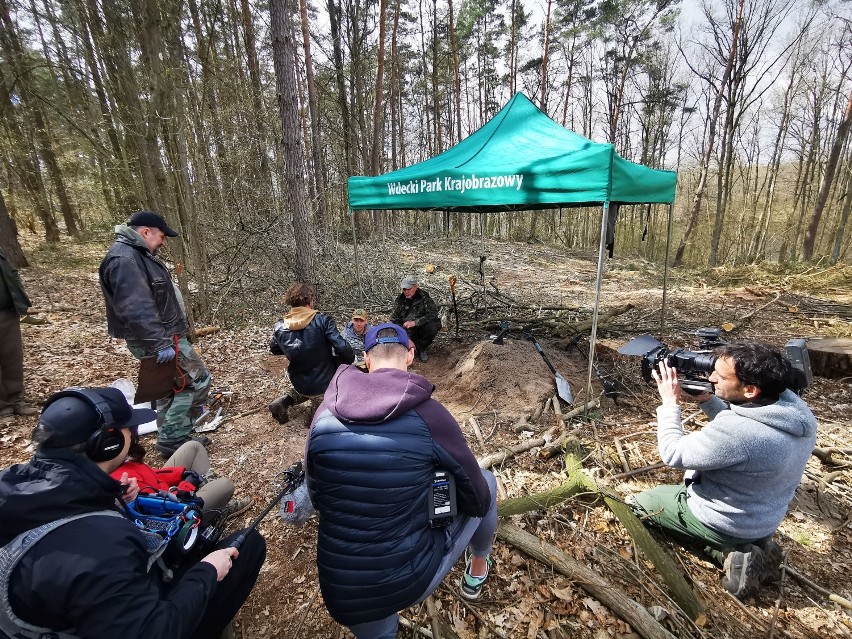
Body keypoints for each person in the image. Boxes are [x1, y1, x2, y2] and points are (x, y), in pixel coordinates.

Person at [0, 387, 266, 639]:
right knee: (249, 544)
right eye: (129, 429)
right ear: (109, 442)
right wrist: (207, 571)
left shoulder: (11, 485)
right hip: (143, 622)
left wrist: (108, 495)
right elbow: (157, 632)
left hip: (65, 614)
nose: (134, 434)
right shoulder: (102, 546)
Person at [306, 323, 498, 638]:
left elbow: (317, 498)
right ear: (410, 355)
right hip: (411, 577)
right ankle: (478, 570)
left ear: (366, 359)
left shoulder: (324, 415)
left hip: (342, 588)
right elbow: (477, 498)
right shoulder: (431, 415)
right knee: (488, 481)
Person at [630, 343, 817, 600]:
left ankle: (731, 552)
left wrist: (669, 404)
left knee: (639, 503)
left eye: (721, 377)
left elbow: (674, 453)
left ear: (750, 390)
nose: (711, 378)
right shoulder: (795, 410)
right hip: (765, 519)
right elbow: (747, 433)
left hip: (724, 521)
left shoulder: (739, 432)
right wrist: (709, 401)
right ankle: (758, 548)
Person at [99, 210, 212, 457]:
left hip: (163, 336)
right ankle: (174, 438)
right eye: (161, 236)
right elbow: (136, 308)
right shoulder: (125, 259)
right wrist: (160, 344)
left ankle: (171, 434)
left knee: (170, 387)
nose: (163, 241)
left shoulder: (136, 255)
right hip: (159, 338)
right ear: (146, 231)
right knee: (196, 382)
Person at [268, 283, 354, 425]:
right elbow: (343, 347)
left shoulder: (280, 325)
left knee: (306, 389)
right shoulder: (322, 321)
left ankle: (283, 401)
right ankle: (313, 417)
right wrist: (349, 360)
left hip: (299, 382)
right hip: (324, 384)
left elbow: (274, 348)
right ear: (309, 301)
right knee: (327, 399)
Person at [110, 438, 252, 518]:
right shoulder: (123, 481)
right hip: (175, 512)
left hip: (165, 491)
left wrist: (180, 473)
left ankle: (210, 497)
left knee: (193, 447)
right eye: (127, 428)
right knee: (225, 485)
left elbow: (151, 475)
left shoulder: (117, 460)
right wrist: (187, 485)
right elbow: (161, 509)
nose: (132, 431)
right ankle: (215, 512)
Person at [0, 250, 38, 426]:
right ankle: (3, 407)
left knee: (12, 358)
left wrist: (21, 302)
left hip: (7, 311)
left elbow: (11, 274)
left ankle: (16, 400)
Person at [390, 276, 441, 362]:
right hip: (406, 330)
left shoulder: (424, 297)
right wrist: (406, 337)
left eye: (408, 289)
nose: (406, 292)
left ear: (415, 287)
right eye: (404, 289)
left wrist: (415, 322)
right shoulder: (400, 300)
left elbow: (433, 314)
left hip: (421, 328)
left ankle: (422, 348)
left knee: (434, 325)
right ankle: (408, 347)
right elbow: (394, 320)